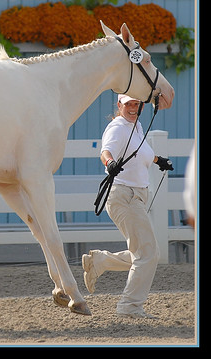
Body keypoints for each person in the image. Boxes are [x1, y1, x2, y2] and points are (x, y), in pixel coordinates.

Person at [82, 94, 174, 318]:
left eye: (136, 104)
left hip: (136, 196)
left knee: (144, 252)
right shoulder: (118, 127)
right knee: (148, 253)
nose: (133, 108)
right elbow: (105, 151)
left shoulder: (137, 126)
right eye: (128, 104)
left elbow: (139, 152)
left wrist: (157, 160)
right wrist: (109, 162)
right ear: (119, 105)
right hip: (125, 196)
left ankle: (101, 261)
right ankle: (129, 307)